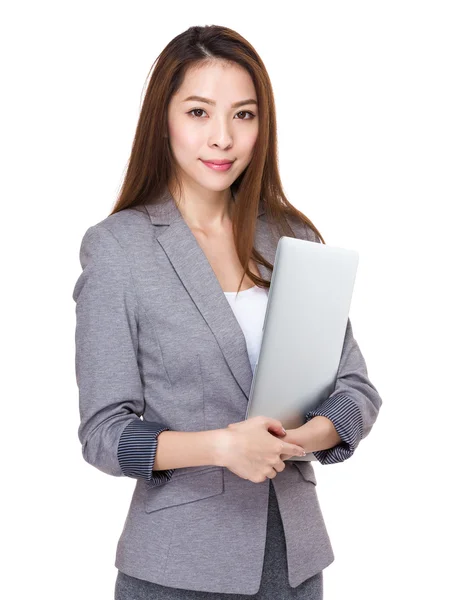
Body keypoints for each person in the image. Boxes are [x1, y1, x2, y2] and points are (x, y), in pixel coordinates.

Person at [72, 24, 383, 599]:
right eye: (198, 112)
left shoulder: (292, 236)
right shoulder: (119, 248)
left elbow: (355, 391)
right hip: (176, 570)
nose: (222, 138)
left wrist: (296, 439)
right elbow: (103, 433)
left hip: (294, 565)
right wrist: (222, 447)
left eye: (243, 115)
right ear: (162, 119)